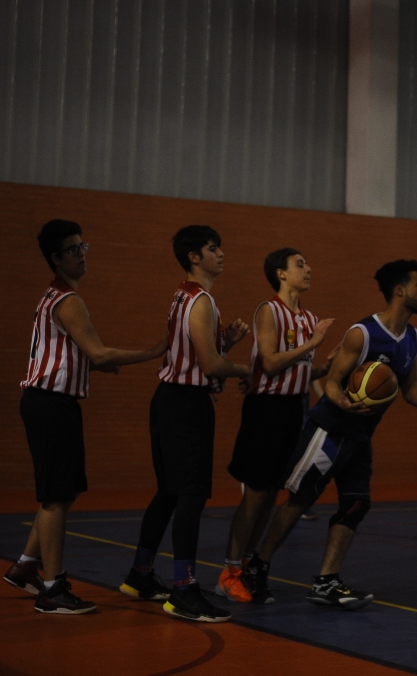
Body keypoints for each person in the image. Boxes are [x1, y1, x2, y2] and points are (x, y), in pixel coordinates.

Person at [244, 260, 417, 608]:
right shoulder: (362, 333)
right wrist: (342, 401)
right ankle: (257, 566)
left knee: (356, 503)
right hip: (331, 428)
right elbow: (333, 382)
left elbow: (409, 388)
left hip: (361, 435)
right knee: (300, 499)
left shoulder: (413, 338)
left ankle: (326, 581)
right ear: (400, 291)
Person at [5, 220, 166, 615]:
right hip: (50, 404)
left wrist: (93, 365)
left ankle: (26, 565)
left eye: (83, 246)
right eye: (73, 249)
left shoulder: (54, 297)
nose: (82, 254)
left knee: (63, 491)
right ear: (56, 258)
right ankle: (52, 588)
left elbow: (69, 356)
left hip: (49, 402)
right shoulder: (68, 300)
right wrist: (153, 351)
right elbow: (98, 352)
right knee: (56, 497)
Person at [120, 225, 251, 623]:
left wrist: (225, 343)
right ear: (195, 257)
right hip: (185, 405)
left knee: (169, 492)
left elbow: (197, 354)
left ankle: (140, 574)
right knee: (190, 494)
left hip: (169, 399)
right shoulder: (201, 301)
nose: (221, 253)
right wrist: (251, 370)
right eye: (213, 248)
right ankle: (184, 589)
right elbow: (210, 365)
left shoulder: (184, 295)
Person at [215, 248, 335, 602]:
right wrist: (313, 343)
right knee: (254, 495)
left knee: (270, 495)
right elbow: (269, 364)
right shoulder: (269, 310)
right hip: (266, 409)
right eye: (300, 264)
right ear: (281, 274)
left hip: (294, 408)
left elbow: (298, 371)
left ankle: (246, 568)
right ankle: (227, 572)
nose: (309, 268)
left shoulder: (308, 317)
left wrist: (325, 367)